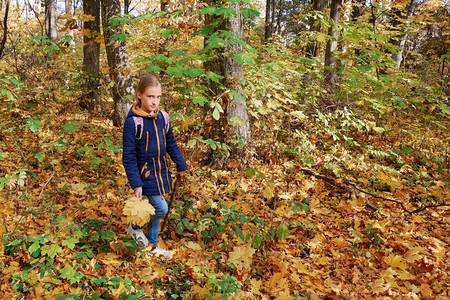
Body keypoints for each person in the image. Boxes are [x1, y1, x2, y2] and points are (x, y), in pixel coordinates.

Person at [122, 73, 188, 258]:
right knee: (161, 209)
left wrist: (181, 164)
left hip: (160, 174)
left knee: (155, 210)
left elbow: (171, 143)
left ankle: (152, 246)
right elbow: (128, 156)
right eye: (150, 96)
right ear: (139, 95)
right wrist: (136, 183)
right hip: (145, 176)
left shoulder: (163, 118)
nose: (154, 101)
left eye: (158, 97)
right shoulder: (133, 122)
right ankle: (135, 227)